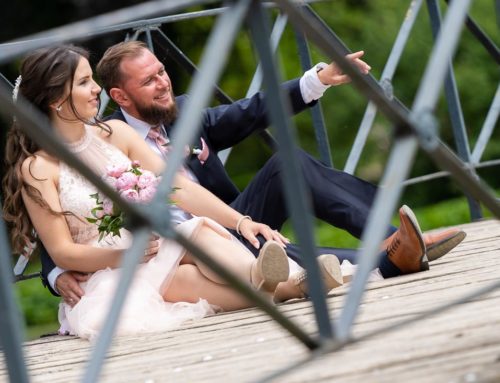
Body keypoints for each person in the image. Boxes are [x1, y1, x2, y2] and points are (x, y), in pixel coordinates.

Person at [42, 41, 466, 303]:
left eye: (162, 72)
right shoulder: (106, 139)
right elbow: (67, 204)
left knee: (288, 165)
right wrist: (57, 274)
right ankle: (393, 259)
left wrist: (318, 79)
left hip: (229, 223)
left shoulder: (187, 113)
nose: (164, 83)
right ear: (121, 96)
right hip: (173, 251)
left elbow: (252, 111)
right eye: (149, 81)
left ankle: (390, 240)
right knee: (252, 243)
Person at [2, 45, 347, 339]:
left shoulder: (116, 133)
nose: (97, 90)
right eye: (84, 82)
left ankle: (270, 275)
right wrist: (128, 255)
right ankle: (295, 282)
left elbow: (178, 187)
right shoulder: (37, 169)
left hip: (157, 245)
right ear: (56, 100)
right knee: (188, 278)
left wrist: (241, 222)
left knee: (197, 231)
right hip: (108, 271)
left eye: (93, 79)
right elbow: (63, 252)